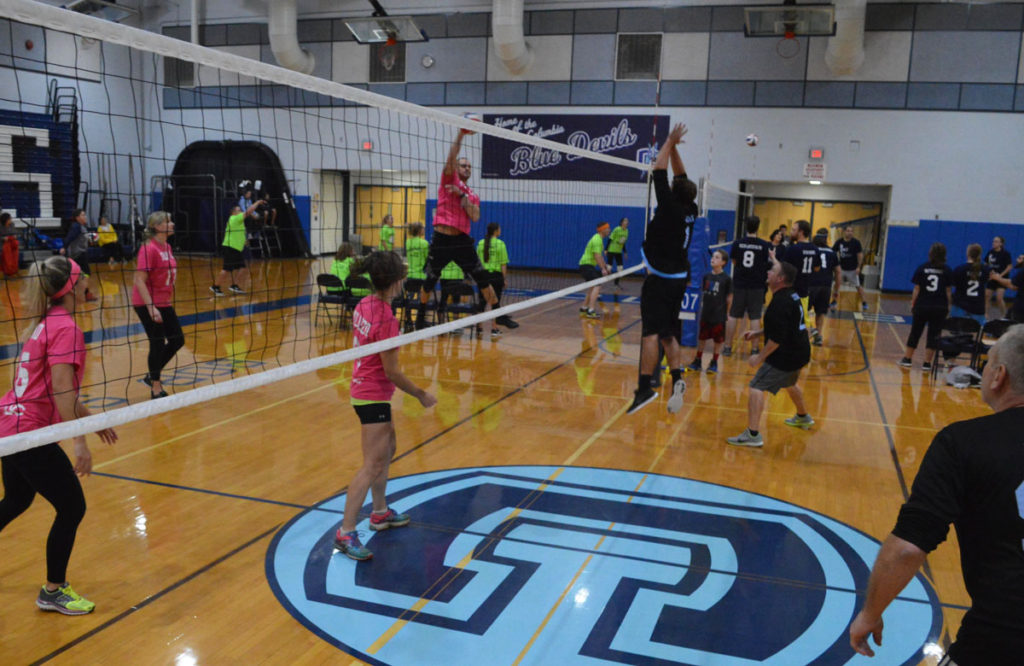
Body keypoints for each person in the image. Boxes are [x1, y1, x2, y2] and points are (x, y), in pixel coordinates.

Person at [849, 324, 1024, 663]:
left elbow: (908, 548)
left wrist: (870, 613)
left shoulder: (964, 442)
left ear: (998, 376)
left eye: (988, 362)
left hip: (1000, 638)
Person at [0, 256, 118, 614]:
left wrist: (91, 421)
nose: (88, 280)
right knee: (72, 506)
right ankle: (53, 591)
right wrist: (79, 441)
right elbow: (62, 390)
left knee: (17, 500)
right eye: (83, 276)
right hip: (29, 433)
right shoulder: (66, 328)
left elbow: (55, 390)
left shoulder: (46, 322)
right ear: (71, 286)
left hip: (8, 425)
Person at [334, 251, 437, 561]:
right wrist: (420, 394)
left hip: (367, 389)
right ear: (395, 281)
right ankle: (346, 531)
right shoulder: (386, 319)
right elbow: (392, 371)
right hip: (371, 394)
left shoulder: (365, 303)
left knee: (388, 448)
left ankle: (379, 512)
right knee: (372, 464)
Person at [627, 122, 696, 415]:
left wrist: (668, 141)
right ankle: (677, 377)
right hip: (679, 277)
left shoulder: (668, 205)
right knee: (668, 333)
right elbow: (681, 177)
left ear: (673, 191)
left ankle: (645, 388)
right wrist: (675, 147)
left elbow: (659, 170)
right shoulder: (691, 208)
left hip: (660, 278)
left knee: (651, 334)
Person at [415, 131, 513, 332]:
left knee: (483, 278)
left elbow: (475, 216)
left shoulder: (472, 194)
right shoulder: (448, 178)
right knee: (430, 279)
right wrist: (461, 135)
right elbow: (451, 156)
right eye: (463, 165)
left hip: (461, 241)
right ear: (456, 167)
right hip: (442, 239)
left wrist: (462, 196)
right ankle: (420, 316)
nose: (467, 168)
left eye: (469, 166)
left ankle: (499, 314)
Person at [727, 259, 813, 447]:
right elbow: (784, 326)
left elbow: (776, 340)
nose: (768, 272)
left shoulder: (780, 303)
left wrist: (759, 357)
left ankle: (753, 434)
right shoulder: (792, 296)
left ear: (780, 279)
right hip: (801, 352)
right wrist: (758, 333)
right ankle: (803, 416)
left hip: (787, 355)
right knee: (789, 382)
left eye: (772, 270)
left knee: (756, 386)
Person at [132, 211, 184, 399]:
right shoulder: (149, 249)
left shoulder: (167, 246)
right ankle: (155, 387)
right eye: (168, 221)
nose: (172, 224)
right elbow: (139, 280)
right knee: (157, 342)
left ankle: (151, 374)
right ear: (157, 226)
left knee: (177, 339)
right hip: (147, 302)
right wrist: (151, 307)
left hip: (164, 301)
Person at [899, 242, 952, 371]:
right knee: (934, 334)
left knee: (915, 332)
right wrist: (949, 306)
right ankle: (927, 363)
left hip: (922, 305)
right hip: (939, 307)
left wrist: (913, 303)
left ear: (930, 253)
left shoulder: (922, 268)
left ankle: (907, 359)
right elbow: (948, 291)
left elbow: (917, 288)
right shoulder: (947, 270)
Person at [725, 215, 771, 357]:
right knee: (755, 317)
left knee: (733, 315)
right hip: (757, 285)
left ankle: (727, 347)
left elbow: (734, 261)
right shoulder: (764, 245)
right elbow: (765, 263)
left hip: (739, 283)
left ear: (746, 226)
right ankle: (755, 349)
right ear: (758, 227)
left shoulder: (738, 243)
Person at [686, 249, 732, 375]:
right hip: (706, 313)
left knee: (718, 340)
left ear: (723, 262)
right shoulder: (706, 276)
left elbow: (729, 297)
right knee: (702, 338)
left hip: (719, 314)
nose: (713, 259)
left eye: (717, 257)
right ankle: (698, 360)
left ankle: (714, 362)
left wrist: (727, 312)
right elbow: (703, 293)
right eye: (713, 257)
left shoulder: (726, 279)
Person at [211, 200, 261, 296]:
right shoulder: (234, 218)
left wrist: (244, 241)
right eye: (239, 210)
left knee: (242, 267)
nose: (241, 211)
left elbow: (239, 232)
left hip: (236, 248)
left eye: (240, 210)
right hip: (230, 247)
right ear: (233, 212)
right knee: (226, 269)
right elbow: (248, 211)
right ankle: (215, 286)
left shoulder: (238, 221)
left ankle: (234, 285)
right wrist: (257, 203)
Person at [477, 222, 517, 337]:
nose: (500, 230)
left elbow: (477, 261)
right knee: (495, 303)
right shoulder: (500, 244)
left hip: (483, 276)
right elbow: (503, 264)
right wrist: (504, 279)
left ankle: (479, 328)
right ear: (496, 231)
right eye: (499, 229)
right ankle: (494, 329)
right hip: (496, 277)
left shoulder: (481, 243)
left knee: (482, 302)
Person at [782, 219, 818, 336]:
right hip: (805, 290)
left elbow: (783, 269)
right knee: (804, 320)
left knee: (787, 319)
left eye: (794, 230)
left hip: (791, 291)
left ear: (801, 232)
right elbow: (817, 268)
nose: (791, 232)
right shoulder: (814, 249)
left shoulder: (793, 249)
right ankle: (805, 343)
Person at [808, 229, 840, 346]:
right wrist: (836, 290)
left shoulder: (811, 250)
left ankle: (810, 330)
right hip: (826, 286)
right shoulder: (832, 252)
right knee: (820, 312)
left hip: (811, 284)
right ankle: (819, 336)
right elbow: (838, 272)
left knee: (803, 311)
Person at [60, 209, 97, 302]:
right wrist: (64, 247)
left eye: (85, 215)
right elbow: (69, 237)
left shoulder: (82, 226)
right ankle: (83, 294)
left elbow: (81, 239)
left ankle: (80, 293)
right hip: (78, 255)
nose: (85, 217)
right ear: (77, 217)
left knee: (80, 275)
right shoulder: (76, 226)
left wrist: (90, 240)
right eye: (83, 215)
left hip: (80, 254)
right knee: (85, 274)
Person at [950, 243, 992, 326]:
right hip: (978, 307)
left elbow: (952, 286)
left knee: (956, 329)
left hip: (960, 307)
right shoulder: (985, 270)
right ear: (979, 254)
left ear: (968, 254)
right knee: (977, 329)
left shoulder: (959, 269)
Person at [832, 225, 869, 312]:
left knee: (858, 286)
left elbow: (860, 255)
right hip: (841, 269)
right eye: (848, 231)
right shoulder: (839, 242)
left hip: (852, 269)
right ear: (844, 232)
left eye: (851, 231)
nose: (850, 233)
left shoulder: (856, 242)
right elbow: (833, 252)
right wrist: (835, 265)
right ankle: (834, 301)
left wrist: (858, 267)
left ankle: (864, 303)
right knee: (836, 285)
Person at [578, 222, 610, 319]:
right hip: (586, 265)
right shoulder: (597, 240)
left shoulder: (599, 239)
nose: (609, 230)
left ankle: (584, 308)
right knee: (597, 284)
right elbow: (597, 256)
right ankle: (591, 310)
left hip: (588, 265)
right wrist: (603, 269)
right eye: (607, 228)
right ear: (602, 230)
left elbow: (600, 256)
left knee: (593, 286)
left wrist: (605, 266)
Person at [984, 235, 1012, 318]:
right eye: (993, 241)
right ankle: (985, 315)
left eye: (996, 241)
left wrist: (1000, 276)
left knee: (999, 298)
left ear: (1001, 244)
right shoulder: (990, 252)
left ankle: (1004, 315)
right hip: (992, 278)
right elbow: (986, 264)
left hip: (1002, 279)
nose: (994, 243)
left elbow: (1009, 266)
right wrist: (989, 272)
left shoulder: (1006, 254)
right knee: (986, 296)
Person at [607, 217, 629, 288]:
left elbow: (623, 242)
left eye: (627, 221)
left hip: (619, 251)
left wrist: (625, 252)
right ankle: (598, 283)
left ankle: (616, 283)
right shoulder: (617, 229)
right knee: (608, 268)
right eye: (625, 220)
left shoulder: (626, 231)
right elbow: (610, 238)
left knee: (620, 268)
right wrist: (606, 249)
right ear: (622, 222)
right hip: (611, 250)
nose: (627, 222)